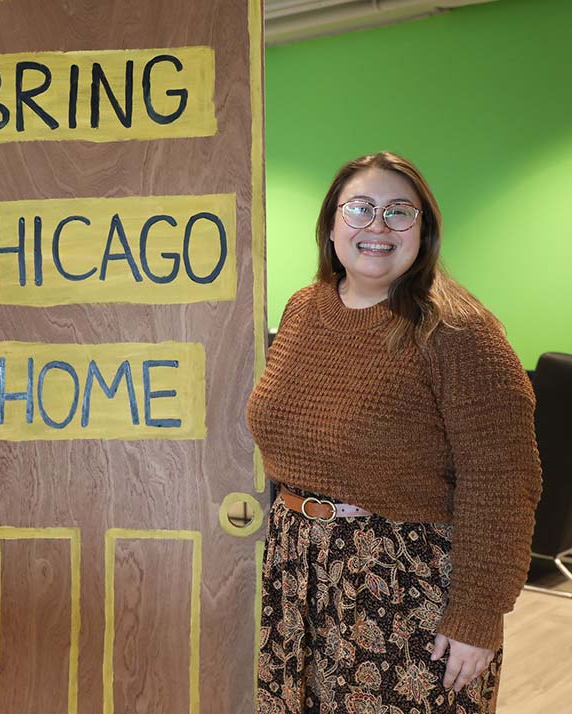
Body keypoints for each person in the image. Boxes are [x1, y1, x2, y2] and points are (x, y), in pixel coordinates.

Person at [246, 151, 541, 713]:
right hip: (295, 572)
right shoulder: (305, 309)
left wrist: (478, 616)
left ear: (423, 230)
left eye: (399, 212)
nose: (377, 226)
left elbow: (505, 483)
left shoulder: (459, 331)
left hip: (401, 587)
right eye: (359, 209)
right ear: (332, 225)